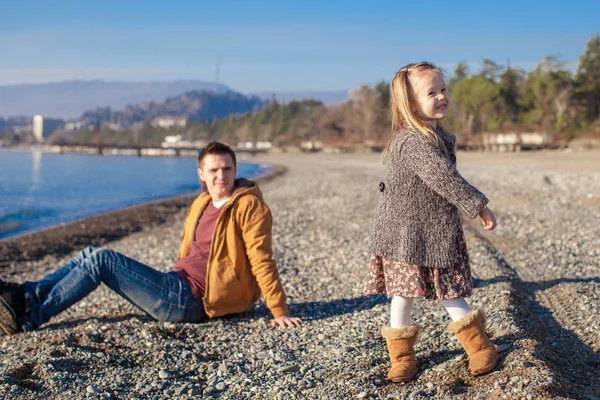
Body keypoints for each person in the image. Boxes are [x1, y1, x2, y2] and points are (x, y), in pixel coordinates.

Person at [0, 142, 301, 336]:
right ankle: (27, 296)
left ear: (236, 170)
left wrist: (279, 310)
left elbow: (261, 258)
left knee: (101, 260)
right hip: (176, 285)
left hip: (194, 302)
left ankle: (30, 317)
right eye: (214, 170)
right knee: (91, 251)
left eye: (227, 169)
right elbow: (189, 253)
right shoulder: (202, 202)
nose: (221, 176)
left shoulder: (249, 206)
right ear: (201, 174)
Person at [364, 62, 499, 382]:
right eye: (431, 92)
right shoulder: (411, 142)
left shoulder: (435, 136)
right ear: (411, 103)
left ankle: (478, 347)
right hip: (402, 236)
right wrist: (478, 205)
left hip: (432, 232)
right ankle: (401, 357)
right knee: (402, 296)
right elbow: (444, 178)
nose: (441, 97)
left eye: (443, 90)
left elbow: (446, 177)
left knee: (448, 290)